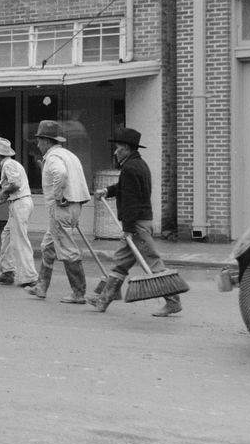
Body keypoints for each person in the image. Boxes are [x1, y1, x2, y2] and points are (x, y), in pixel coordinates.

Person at [87, 128, 182, 317]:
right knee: (121, 263)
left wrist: (129, 229)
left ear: (127, 148)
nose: (115, 152)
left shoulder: (130, 168)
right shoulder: (139, 164)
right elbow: (124, 188)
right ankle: (103, 300)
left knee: (153, 262)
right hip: (140, 221)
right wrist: (107, 191)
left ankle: (173, 301)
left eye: (118, 148)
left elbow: (132, 200)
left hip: (137, 224)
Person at [28, 120, 91, 302]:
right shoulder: (69, 155)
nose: (38, 145)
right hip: (74, 205)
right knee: (48, 246)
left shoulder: (53, 157)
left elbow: (61, 174)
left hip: (62, 207)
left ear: (47, 141)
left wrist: (57, 196)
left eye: (39, 141)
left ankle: (78, 292)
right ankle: (41, 286)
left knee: (67, 249)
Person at [0, 138, 37, 288]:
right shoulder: (9, 164)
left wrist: (4, 190)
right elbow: (6, 195)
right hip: (17, 203)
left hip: (20, 203)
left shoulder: (8, 164)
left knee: (19, 240)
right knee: (6, 236)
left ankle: (29, 276)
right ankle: (8, 272)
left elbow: (15, 185)